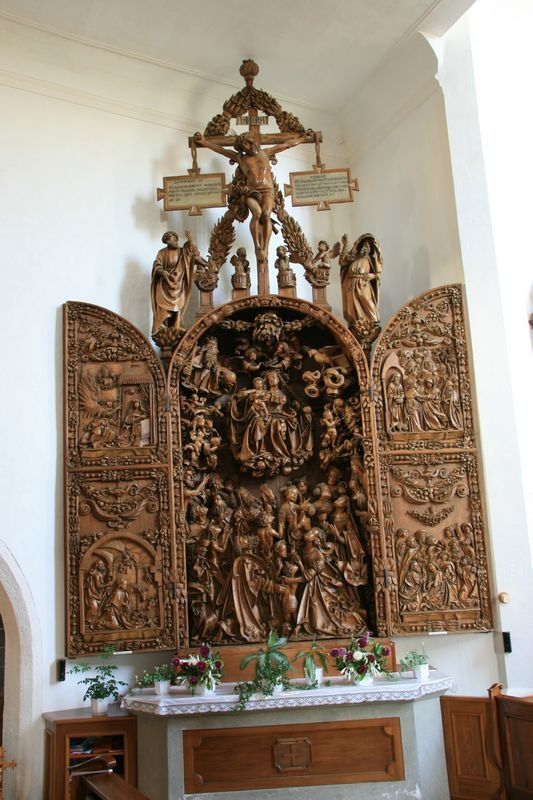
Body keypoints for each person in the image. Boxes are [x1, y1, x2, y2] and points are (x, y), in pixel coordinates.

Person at [194, 130, 311, 263]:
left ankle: (265, 248)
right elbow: (221, 150)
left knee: (266, 214)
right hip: (251, 192)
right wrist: (204, 142)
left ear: (251, 142)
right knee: (257, 213)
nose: (246, 148)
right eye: (242, 147)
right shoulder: (241, 159)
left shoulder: (266, 153)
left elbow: (286, 145)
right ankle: (257, 247)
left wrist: (303, 138)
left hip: (267, 191)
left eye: (246, 144)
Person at [150, 230, 206, 336]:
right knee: (163, 305)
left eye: (176, 240)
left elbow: (190, 252)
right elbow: (157, 264)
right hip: (165, 283)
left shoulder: (181, 251)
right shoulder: (162, 252)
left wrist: (190, 240)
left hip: (179, 281)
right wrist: (162, 272)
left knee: (179, 302)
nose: (175, 242)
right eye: (172, 240)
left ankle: (177, 324)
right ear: (166, 241)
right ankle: (163, 324)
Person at [339, 233, 382, 327]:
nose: (366, 246)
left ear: (371, 248)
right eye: (364, 244)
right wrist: (345, 245)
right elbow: (342, 262)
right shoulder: (354, 257)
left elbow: (378, 273)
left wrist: (373, 275)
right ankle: (356, 324)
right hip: (351, 283)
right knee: (353, 306)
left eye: (368, 245)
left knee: (365, 299)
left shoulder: (372, 259)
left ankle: (374, 322)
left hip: (363, 282)